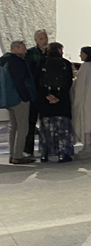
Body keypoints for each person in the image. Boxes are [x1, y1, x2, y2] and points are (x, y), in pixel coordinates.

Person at [0, 40, 36, 165]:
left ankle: (12, 154)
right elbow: (20, 80)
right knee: (22, 127)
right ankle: (18, 155)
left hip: (8, 98)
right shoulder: (17, 61)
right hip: (19, 98)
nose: (25, 51)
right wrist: (26, 96)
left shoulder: (3, 60)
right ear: (16, 48)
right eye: (23, 48)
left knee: (13, 127)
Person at [37, 43, 74, 163]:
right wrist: (58, 96)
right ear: (58, 50)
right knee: (62, 129)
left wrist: (47, 95)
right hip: (61, 101)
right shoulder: (65, 63)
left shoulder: (42, 63)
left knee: (46, 128)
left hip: (45, 102)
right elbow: (68, 82)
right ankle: (63, 153)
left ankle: (45, 153)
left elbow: (37, 81)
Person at [71, 47, 91, 159]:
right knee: (90, 123)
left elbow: (79, 85)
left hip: (84, 101)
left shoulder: (86, 67)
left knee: (85, 123)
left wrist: (74, 77)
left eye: (81, 53)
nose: (80, 55)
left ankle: (87, 148)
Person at [24, 28, 49, 156]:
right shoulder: (30, 53)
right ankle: (28, 150)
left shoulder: (51, 52)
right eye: (41, 39)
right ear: (36, 40)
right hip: (34, 92)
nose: (44, 41)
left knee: (47, 121)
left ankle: (46, 148)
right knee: (31, 123)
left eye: (45, 38)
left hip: (47, 92)